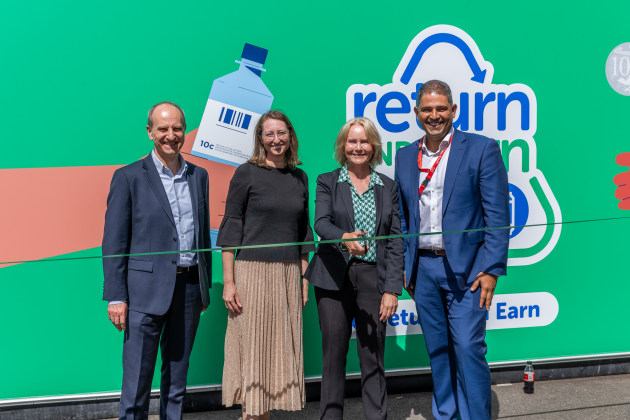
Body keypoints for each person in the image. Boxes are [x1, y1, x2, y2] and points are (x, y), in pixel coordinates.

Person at [394, 80, 509, 420]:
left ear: (453, 110)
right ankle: (446, 414)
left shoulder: (481, 148)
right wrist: (406, 266)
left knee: (468, 348)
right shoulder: (404, 156)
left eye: (441, 108)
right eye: (427, 109)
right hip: (423, 271)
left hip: (469, 270)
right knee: (438, 350)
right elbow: (404, 217)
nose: (435, 115)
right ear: (417, 113)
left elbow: (497, 216)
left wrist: (491, 269)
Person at [102, 101, 212, 419]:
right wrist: (116, 296)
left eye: (177, 128)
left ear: (185, 131)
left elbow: (202, 234)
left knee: (177, 383)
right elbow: (114, 241)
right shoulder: (128, 177)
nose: (170, 135)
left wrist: (203, 287)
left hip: (189, 289)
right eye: (163, 128)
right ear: (150, 132)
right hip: (143, 293)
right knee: (136, 384)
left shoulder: (199, 176)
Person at [304, 117, 403, 420]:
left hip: (374, 277)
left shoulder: (388, 186)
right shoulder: (328, 181)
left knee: (373, 356)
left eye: (364, 141)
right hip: (333, 277)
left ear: (374, 146)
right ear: (342, 146)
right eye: (352, 141)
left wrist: (391, 289)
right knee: (333, 356)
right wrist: (344, 238)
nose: (358, 147)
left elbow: (396, 239)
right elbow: (321, 223)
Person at [217, 110, 314, 420]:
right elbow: (231, 229)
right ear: (260, 138)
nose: (276, 139)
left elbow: (303, 234)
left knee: (277, 355)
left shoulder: (300, 177)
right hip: (252, 274)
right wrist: (229, 282)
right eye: (269, 133)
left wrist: (304, 279)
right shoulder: (246, 173)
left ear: (290, 136)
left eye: (281, 133)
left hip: (288, 274)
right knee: (254, 353)